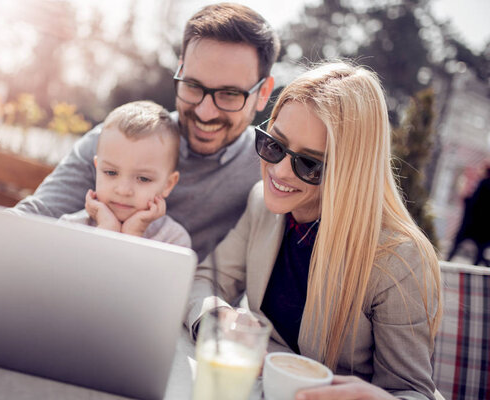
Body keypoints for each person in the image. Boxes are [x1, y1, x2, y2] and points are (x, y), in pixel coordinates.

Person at [185, 62, 442, 400]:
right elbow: (208, 279)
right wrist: (216, 317)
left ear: (351, 172)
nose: (278, 171)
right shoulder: (262, 203)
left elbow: (412, 392)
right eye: (274, 145)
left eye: (309, 164)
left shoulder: (398, 260)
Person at [11, 3, 280, 262]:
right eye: (193, 86)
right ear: (180, 70)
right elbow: (37, 214)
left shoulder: (270, 174)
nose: (204, 112)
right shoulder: (117, 142)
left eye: (230, 94)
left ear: (263, 93)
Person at [59, 101, 191, 247]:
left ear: (168, 184)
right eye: (111, 172)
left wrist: (133, 234)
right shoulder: (69, 228)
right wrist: (106, 230)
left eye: (143, 178)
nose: (123, 190)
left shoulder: (174, 241)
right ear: (97, 169)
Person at [447, 164, 490, 266]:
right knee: (479, 253)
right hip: (485, 228)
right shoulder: (484, 183)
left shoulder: (484, 183)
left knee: (456, 246)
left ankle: (447, 263)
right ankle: (476, 270)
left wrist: (465, 198)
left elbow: (474, 203)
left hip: (472, 224)